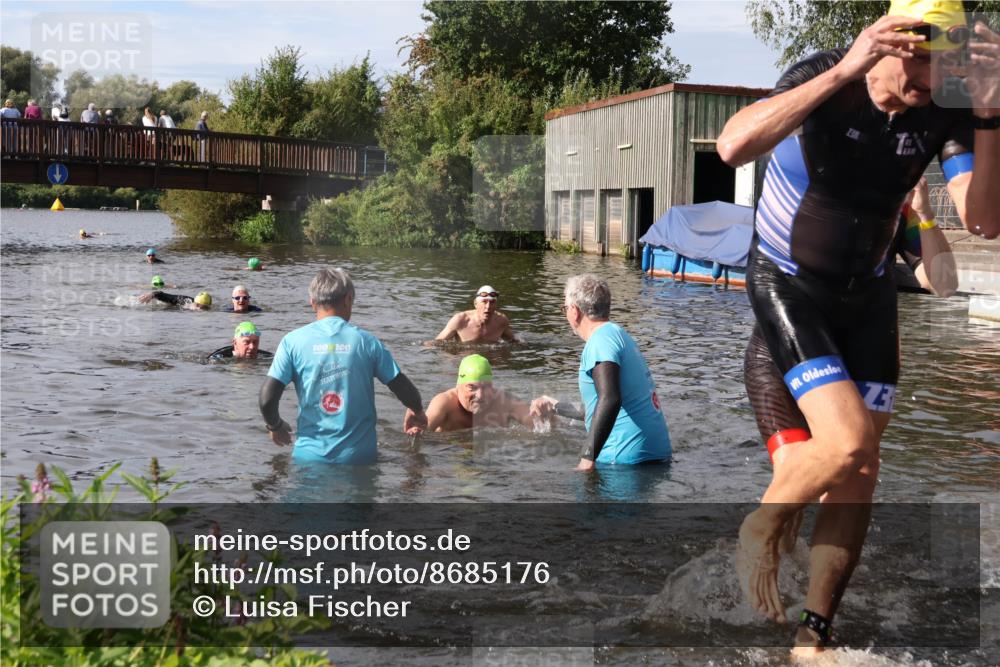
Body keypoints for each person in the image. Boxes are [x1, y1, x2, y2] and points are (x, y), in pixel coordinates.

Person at [715, 0, 999, 652]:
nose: (931, 78)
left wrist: (988, 114)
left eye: (947, 63)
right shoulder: (828, 78)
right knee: (845, 444)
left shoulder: (948, 107)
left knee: (859, 472)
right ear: (888, 43)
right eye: (922, 58)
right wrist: (844, 70)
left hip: (867, 301)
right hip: (789, 289)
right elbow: (731, 145)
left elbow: (983, 221)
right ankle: (761, 525)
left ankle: (813, 631)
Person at [258, 267, 427, 464]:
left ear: (313, 303)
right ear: (348, 299)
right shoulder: (367, 342)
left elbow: (267, 399)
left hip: (309, 459)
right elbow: (402, 387)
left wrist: (275, 425)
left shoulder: (292, 342)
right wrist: (416, 410)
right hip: (358, 459)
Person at [561, 274, 671, 471]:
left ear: (575, 311)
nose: (566, 314)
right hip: (654, 456)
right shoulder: (618, 334)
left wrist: (587, 458)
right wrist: (555, 406)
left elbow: (610, 399)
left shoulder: (599, 342)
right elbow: (603, 406)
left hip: (623, 462)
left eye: (565, 309)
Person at [404, 354, 557, 432]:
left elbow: (544, 429)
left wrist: (546, 412)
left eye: (486, 387)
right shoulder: (444, 403)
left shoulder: (505, 402)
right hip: (449, 454)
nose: (481, 396)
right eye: (472, 388)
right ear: (458, 385)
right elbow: (421, 434)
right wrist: (416, 431)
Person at [432, 286, 518, 344]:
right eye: (484, 302)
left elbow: (514, 342)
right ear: (475, 304)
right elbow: (437, 343)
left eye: (492, 302)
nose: (488, 307)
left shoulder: (501, 321)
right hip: (463, 361)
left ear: (496, 305)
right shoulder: (460, 320)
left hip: (490, 362)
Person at [207, 321, 272, 361]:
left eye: (255, 342)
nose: (252, 347)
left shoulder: (268, 357)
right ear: (235, 343)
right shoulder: (219, 357)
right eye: (247, 342)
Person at [137, 290, 212, 311]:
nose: (199, 309)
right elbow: (161, 294)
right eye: (197, 305)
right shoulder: (184, 301)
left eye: (204, 308)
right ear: (194, 302)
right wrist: (152, 294)